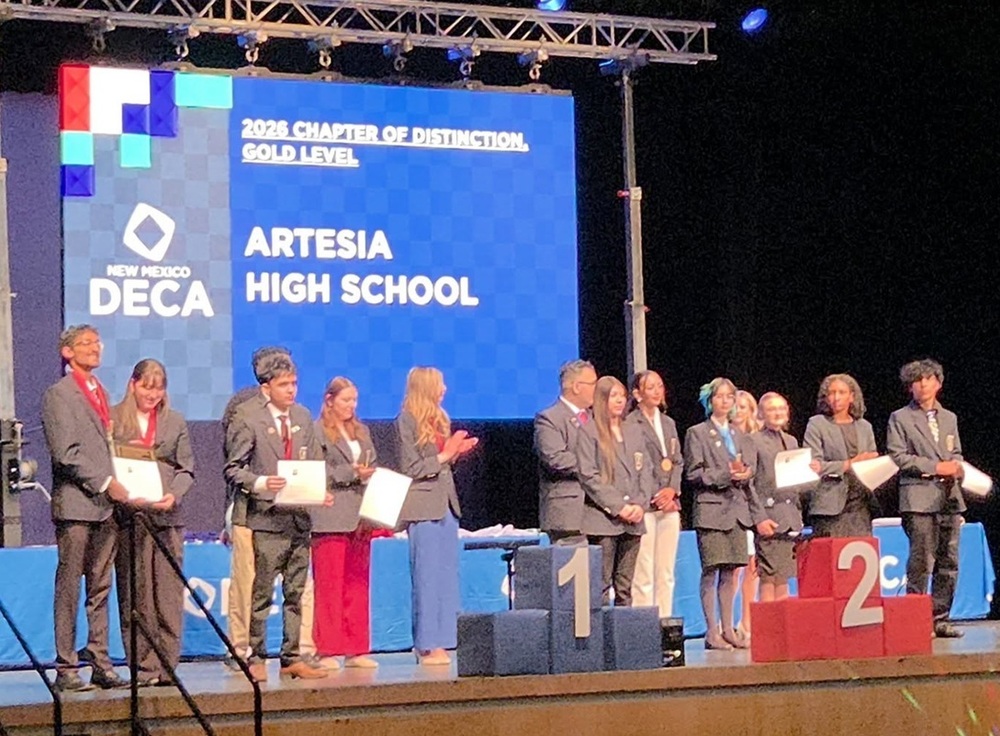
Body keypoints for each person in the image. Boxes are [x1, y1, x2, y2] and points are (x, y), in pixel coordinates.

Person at [224, 354, 329, 681]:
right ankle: (256, 655)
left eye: (294, 383)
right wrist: (260, 483)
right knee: (262, 593)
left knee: (296, 593)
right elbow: (233, 469)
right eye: (284, 385)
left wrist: (319, 492)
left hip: (297, 518)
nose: (291, 390)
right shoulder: (247, 417)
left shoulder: (303, 416)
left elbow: (313, 464)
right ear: (266, 388)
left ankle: (292, 656)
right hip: (265, 519)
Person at [42, 325, 133, 691]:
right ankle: (66, 667)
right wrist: (107, 482)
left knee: (100, 587)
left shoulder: (101, 391)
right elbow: (66, 453)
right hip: (77, 505)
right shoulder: (59, 394)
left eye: (97, 342)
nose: (95, 348)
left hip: (105, 508)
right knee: (69, 587)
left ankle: (100, 661)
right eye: (86, 343)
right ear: (67, 352)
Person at [111, 359, 195, 687]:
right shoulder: (115, 419)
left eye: (158, 389)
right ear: (133, 385)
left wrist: (174, 494)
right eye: (147, 387)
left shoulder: (175, 421)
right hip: (130, 520)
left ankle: (167, 666)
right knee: (137, 595)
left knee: (168, 596)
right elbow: (107, 464)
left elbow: (186, 469)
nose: (152, 395)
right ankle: (143, 667)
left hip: (167, 518)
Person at [395, 367, 478, 666]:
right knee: (426, 577)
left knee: (446, 576)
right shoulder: (407, 420)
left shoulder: (440, 419)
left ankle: (445, 639)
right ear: (427, 386)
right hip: (423, 507)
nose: (444, 389)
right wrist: (445, 454)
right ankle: (427, 644)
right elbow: (411, 468)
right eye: (440, 384)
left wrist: (455, 453)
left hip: (446, 505)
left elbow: (440, 464)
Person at [684, 377, 774, 650]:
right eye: (720, 396)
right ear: (710, 401)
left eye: (729, 397)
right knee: (711, 571)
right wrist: (727, 474)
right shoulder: (698, 433)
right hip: (711, 512)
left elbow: (748, 473)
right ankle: (711, 631)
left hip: (737, 512)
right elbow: (694, 473)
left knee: (731, 572)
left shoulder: (740, 435)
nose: (725, 401)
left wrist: (745, 474)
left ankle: (728, 629)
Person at [886, 359, 966, 638]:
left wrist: (956, 466)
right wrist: (935, 467)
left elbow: (955, 451)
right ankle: (915, 620)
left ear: (938, 383)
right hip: (918, 498)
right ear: (910, 387)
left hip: (949, 498)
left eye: (928, 379)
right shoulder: (900, 417)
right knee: (921, 561)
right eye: (917, 381)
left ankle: (940, 618)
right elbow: (898, 456)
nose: (923, 384)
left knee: (949, 560)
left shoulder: (949, 417)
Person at [309, 377, 379, 667]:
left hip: (360, 516)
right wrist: (352, 473)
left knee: (357, 584)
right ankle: (328, 649)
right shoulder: (316, 432)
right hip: (330, 517)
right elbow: (318, 471)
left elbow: (372, 461)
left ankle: (356, 647)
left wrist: (368, 473)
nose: (351, 406)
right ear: (329, 400)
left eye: (354, 400)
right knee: (330, 586)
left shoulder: (361, 431)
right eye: (346, 400)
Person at [578, 376, 652, 605]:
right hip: (603, 522)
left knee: (625, 587)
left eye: (622, 395)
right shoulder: (589, 431)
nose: (620, 400)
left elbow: (646, 469)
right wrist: (620, 507)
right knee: (601, 585)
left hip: (634, 522)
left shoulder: (633, 430)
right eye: (614, 396)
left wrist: (640, 504)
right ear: (602, 399)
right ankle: (600, 629)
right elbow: (589, 476)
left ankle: (624, 628)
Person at [624, 370, 684, 617]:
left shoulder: (668, 423)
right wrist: (655, 496)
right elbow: (637, 466)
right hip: (646, 505)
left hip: (669, 504)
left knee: (666, 572)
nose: (657, 391)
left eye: (660, 386)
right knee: (644, 572)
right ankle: (644, 625)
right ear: (637, 394)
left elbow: (677, 461)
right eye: (651, 387)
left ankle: (665, 623)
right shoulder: (630, 423)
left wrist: (672, 491)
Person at [803, 373, 879, 538]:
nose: (836, 397)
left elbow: (871, 459)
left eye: (841, 392)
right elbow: (814, 465)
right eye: (831, 393)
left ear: (852, 397)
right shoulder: (817, 424)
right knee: (832, 553)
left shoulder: (864, 427)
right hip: (829, 505)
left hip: (860, 504)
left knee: (860, 552)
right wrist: (849, 464)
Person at [535, 360, 598, 546]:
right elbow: (555, 458)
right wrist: (599, 464)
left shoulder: (596, 417)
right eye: (593, 384)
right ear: (577, 387)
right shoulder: (549, 418)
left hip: (602, 513)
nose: (597, 389)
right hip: (569, 513)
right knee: (574, 563)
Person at [750, 392, 805, 602]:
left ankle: (783, 621)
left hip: (789, 517)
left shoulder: (791, 441)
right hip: (769, 518)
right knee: (768, 576)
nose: (777, 413)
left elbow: (795, 481)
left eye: (781, 408)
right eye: (772, 409)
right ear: (761, 414)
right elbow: (749, 483)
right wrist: (759, 518)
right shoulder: (753, 441)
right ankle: (767, 622)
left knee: (784, 577)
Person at [732, 390, 761, 639]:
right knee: (735, 568)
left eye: (744, 407)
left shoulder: (757, 440)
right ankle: (726, 622)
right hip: (735, 509)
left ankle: (747, 623)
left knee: (753, 568)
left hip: (758, 509)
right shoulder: (726, 438)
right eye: (736, 406)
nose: (739, 411)